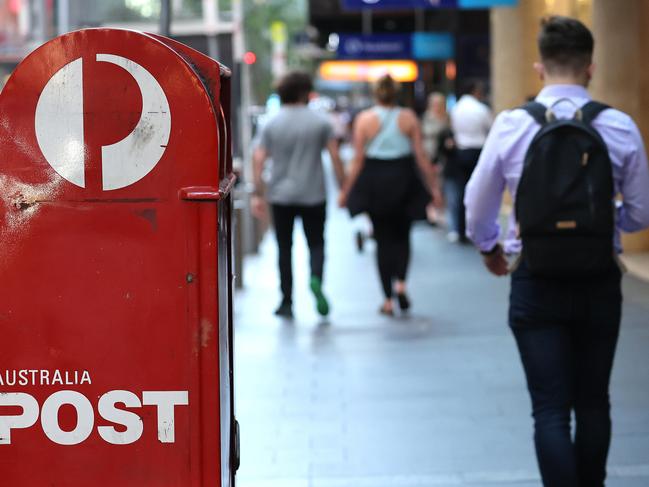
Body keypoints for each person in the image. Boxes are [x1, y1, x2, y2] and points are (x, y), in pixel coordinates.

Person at [465, 16, 649, 487]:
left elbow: (476, 203)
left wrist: (490, 248)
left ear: (539, 68)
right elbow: (641, 210)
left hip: (535, 278)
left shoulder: (511, 126)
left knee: (549, 409)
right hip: (598, 279)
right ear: (591, 66)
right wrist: (609, 227)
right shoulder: (619, 126)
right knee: (594, 402)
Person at [338, 74, 441, 316]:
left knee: (382, 240)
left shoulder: (364, 120)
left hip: (375, 181)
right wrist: (434, 188)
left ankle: (387, 299)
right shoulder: (408, 118)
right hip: (404, 177)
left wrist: (346, 191)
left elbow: (358, 160)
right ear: (396, 94)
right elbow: (421, 157)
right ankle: (402, 284)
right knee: (403, 236)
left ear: (376, 94)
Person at [252, 71, 345, 319]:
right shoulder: (320, 121)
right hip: (314, 193)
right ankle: (315, 278)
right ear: (305, 93)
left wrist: (258, 194)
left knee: (284, 247)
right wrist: (344, 187)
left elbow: (259, 159)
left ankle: (286, 300)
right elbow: (335, 157)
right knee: (316, 243)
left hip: (280, 195)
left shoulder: (271, 122)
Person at [448, 80, 493, 243]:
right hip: (478, 152)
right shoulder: (481, 109)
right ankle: (479, 229)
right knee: (480, 191)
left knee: (462, 191)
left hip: (461, 152)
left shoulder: (455, 109)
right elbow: (490, 128)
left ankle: (461, 229)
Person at [422, 92, 449, 224]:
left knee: (441, 184)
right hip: (429, 154)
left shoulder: (447, 118)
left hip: (443, 156)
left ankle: (440, 210)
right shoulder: (427, 118)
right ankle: (431, 211)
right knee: (430, 183)